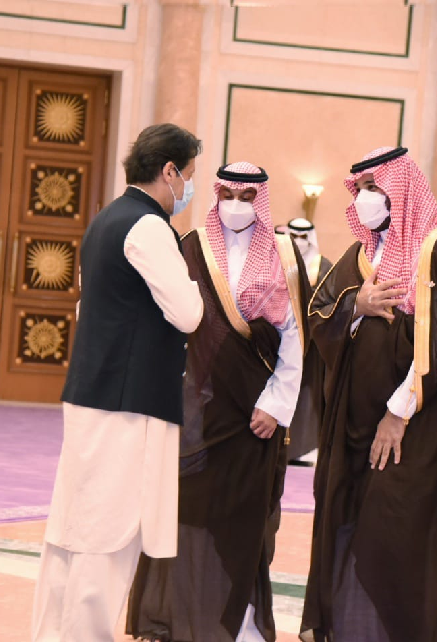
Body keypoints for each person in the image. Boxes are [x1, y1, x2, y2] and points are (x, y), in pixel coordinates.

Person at [300, 147, 437, 642]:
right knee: (349, 527)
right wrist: (355, 306)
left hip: (410, 433)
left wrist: (398, 412)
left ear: (400, 191)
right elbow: (319, 311)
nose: (364, 199)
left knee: (395, 538)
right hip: (353, 427)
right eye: (359, 190)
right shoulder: (362, 254)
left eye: (374, 189)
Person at [31, 123, 204, 642]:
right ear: (168, 171)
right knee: (108, 537)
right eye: (188, 176)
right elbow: (189, 313)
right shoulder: (149, 227)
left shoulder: (106, 219)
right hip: (128, 402)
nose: (188, 189)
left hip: (95, 393)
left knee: (73, 531)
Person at [126, 162, 308, 642]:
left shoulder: (284, 255)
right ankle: (182, 619)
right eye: (227, 194)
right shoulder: (191, 247)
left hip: (255, 416)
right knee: (187, 516)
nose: (236, 205)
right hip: (196, 412)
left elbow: (296, 339)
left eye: (247, 197)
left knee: (243, 522)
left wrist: (277, 404)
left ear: (260, 201)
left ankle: (240, 625)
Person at [282, 217, 332, 462]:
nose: (299, 242)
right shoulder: (277, 260)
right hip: (280, 340)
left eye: (304, 237)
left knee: (307, 394)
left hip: (312, 346)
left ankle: (306, 447)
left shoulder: (323, 267)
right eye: (294, 236)